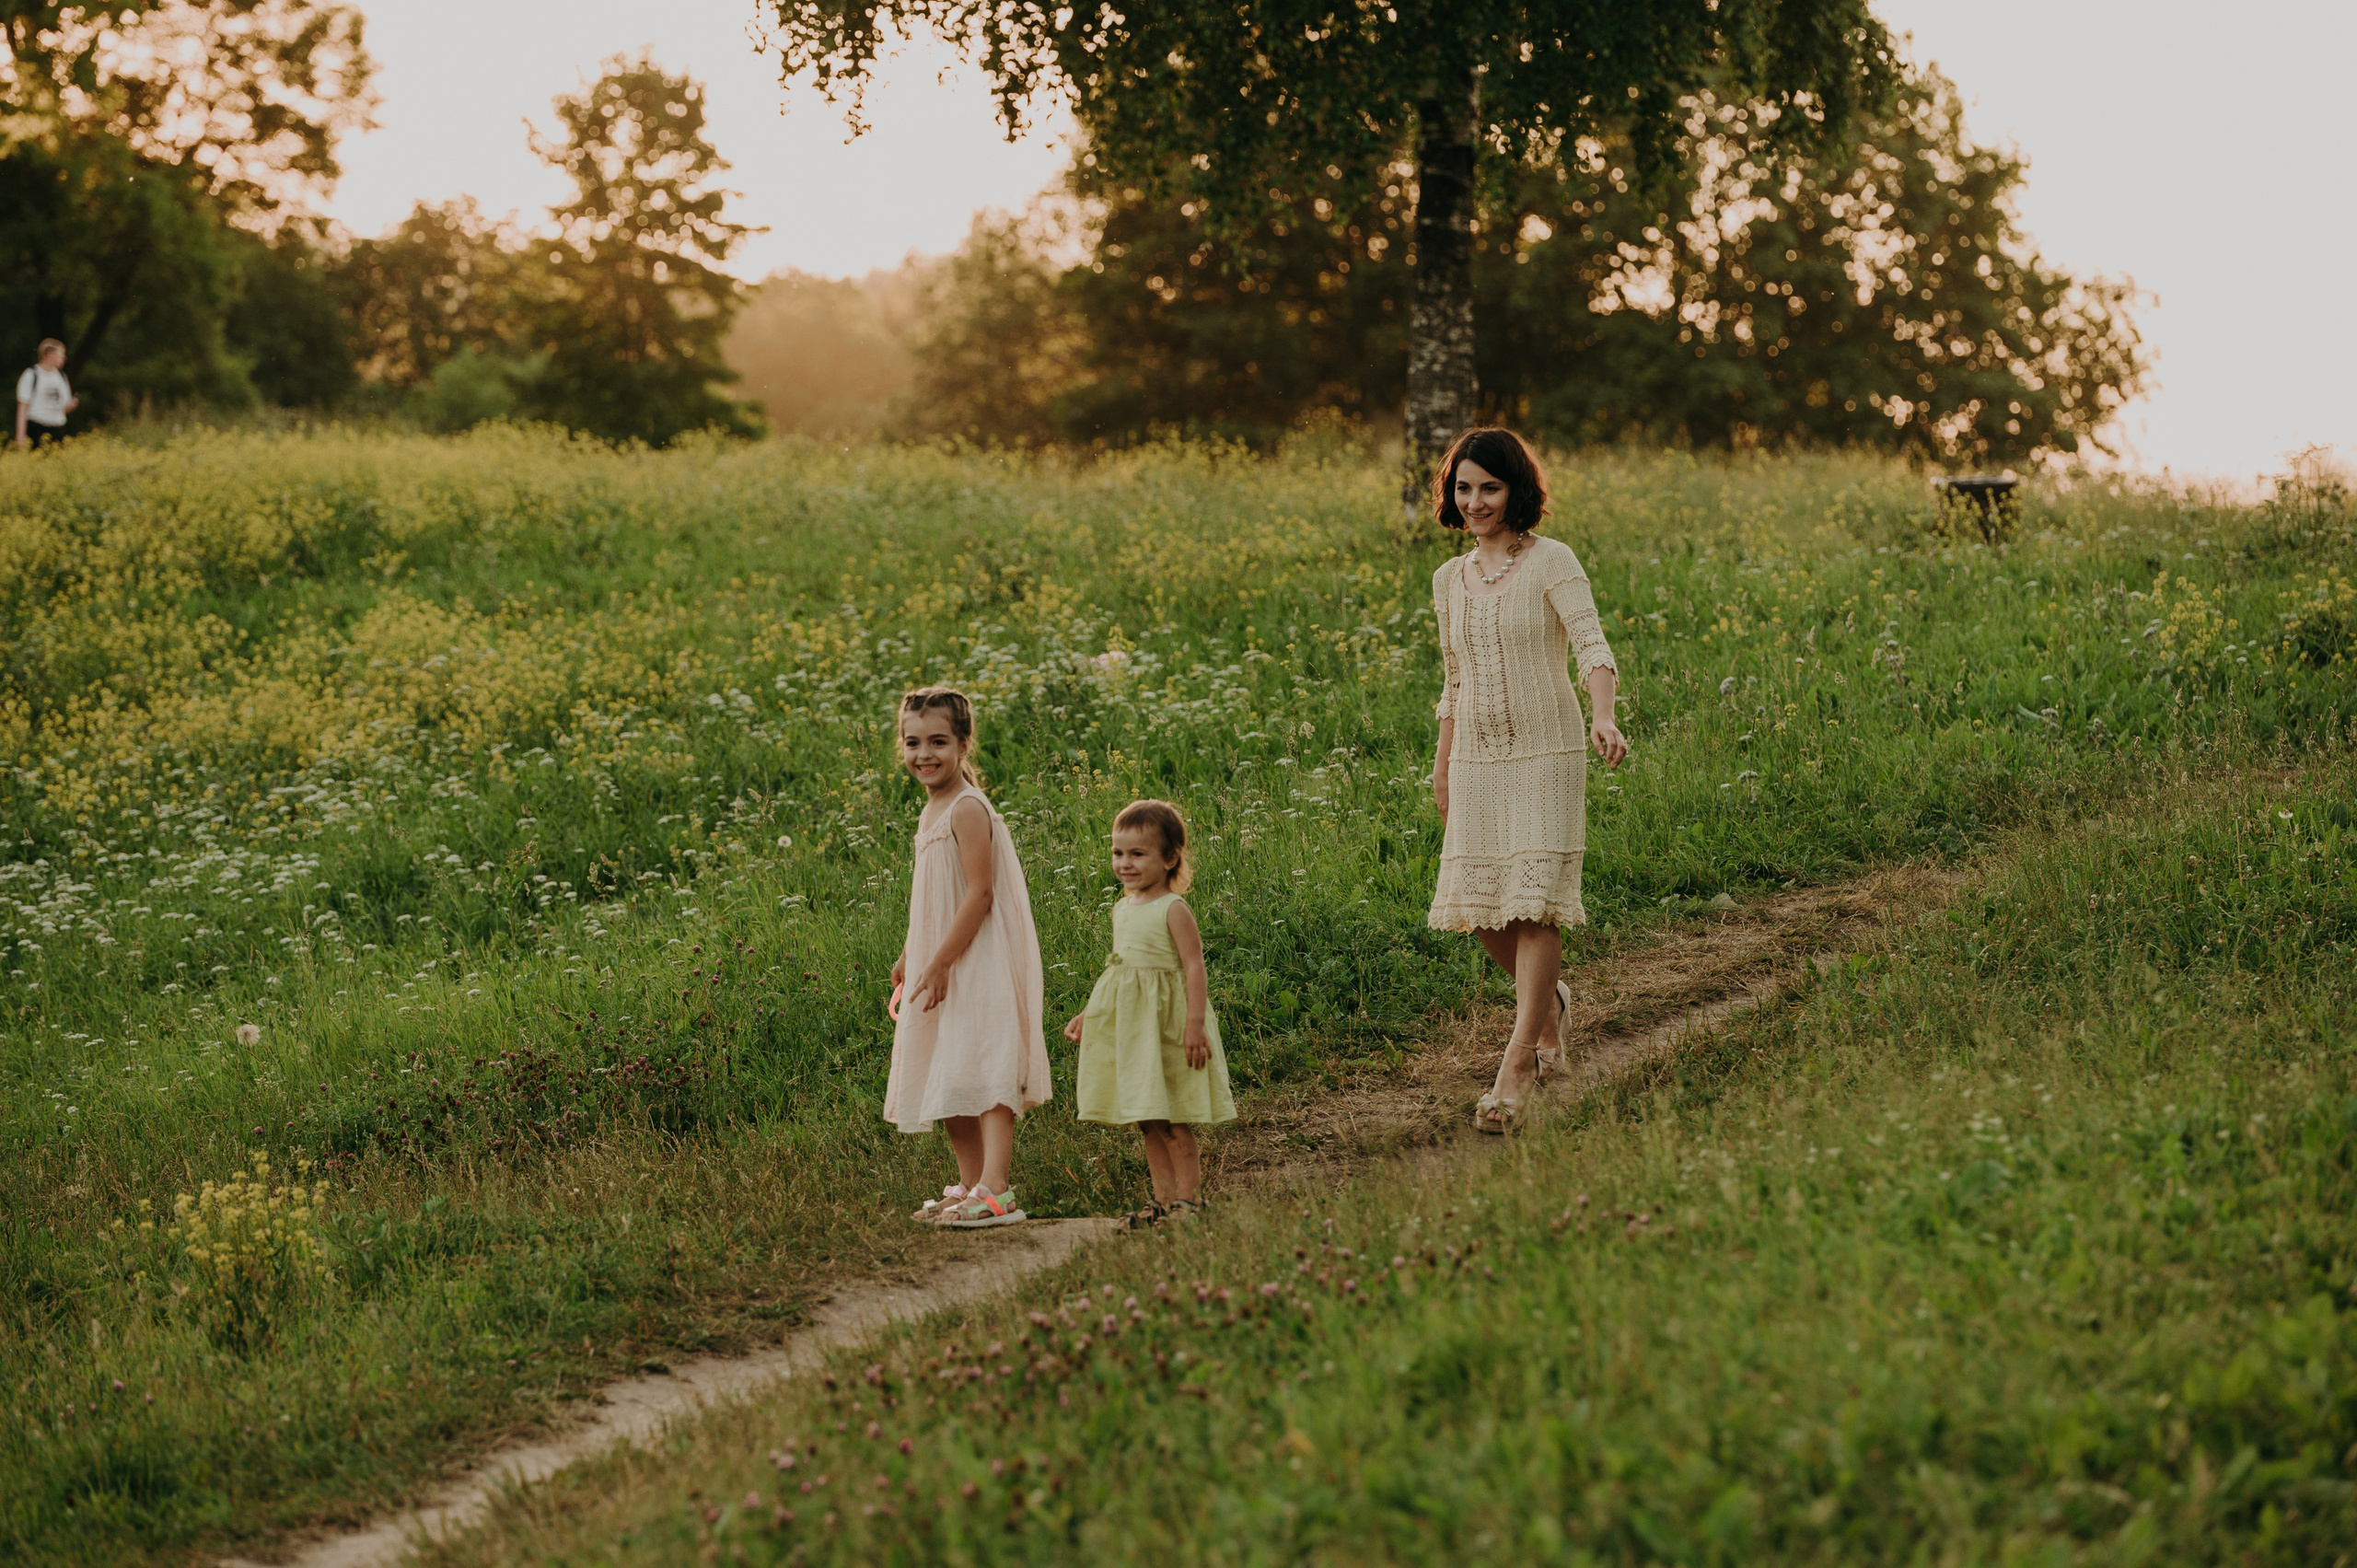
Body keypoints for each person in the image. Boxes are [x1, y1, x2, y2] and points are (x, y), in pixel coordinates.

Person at [1427, 427, 1629, 1133]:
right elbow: (1454, 678)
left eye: (1490, 486)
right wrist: (1443, 761)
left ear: (1517, 488)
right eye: (1464, 488)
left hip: (1548, 748)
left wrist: (1603, 716)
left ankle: (1516, 1066)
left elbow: (1591, 642)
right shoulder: (1448, 579)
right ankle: (1550, 1005)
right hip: (1476, 756)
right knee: (1483, 907)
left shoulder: (1552, 561)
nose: (1476, 501)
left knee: (1535, 903)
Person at [885, 685, 1052, 1228]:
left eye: (938, 741)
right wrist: (913, 952)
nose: (924, 755)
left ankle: (997, 1187)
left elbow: (979, 893)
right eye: (913, 743)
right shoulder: (931, 809)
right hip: (939, 958)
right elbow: (934, 893)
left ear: (962, 744)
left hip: (972, 958)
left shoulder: (967, 807)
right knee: (945, 1063)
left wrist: (940, 962)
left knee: (984, 1061)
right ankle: (971, 1183)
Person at [1065, 799, 1234, 1228]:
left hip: (1167, 1026)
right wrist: (1090, 1013)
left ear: (1170, 857)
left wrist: (1194, 1025)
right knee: (1148, 1119)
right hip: (1133, 1028)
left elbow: (1194, 967)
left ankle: (1188, 1202)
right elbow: (1117, 967)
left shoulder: (1172, 909)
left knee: (1174, 1120)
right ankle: (1160, 1201)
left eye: (1138, 854)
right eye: (1118, 853)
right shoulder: (1123, 908)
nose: (1125, 863)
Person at [15, 338, 77, 450]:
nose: (64, 358)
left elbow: (65, 407)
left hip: (58, 429)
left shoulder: (61, 377)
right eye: (60, 354)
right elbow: (22, 407)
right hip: (37, 428)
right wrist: (20, 435)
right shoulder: (31, 375)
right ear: (49, 354)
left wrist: (71, 405)